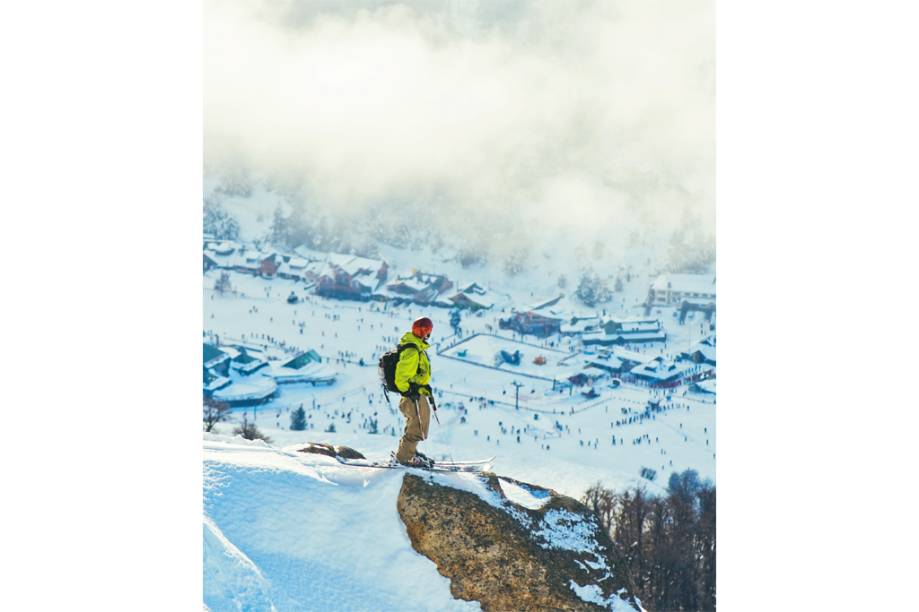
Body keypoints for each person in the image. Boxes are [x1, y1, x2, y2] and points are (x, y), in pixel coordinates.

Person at [394, 316, 435, 466]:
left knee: (417, 425)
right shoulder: (412, 349)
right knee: (417, 427)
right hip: (412, 396)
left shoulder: (416, 346)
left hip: (415, 393)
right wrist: (409, 391)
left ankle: (408, 452)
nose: (427, 334)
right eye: (426, 331)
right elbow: (401, 378)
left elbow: (416, 375)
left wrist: (422, 386)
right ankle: (404, 458)